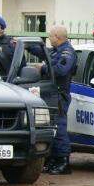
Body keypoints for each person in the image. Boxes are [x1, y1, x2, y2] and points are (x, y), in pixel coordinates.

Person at [30, 26, 77, 175]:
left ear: (57, 37)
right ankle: (53, 160)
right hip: (51, 94)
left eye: (50, 37)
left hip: (59, 96)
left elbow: (61, 70)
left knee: (60, 128)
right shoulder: (56, 50)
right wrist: (30, 46)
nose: (49, 39)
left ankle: (63, 162)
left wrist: (42, 69)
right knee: (52, 128)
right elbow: (45, 54)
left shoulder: (67, 52)